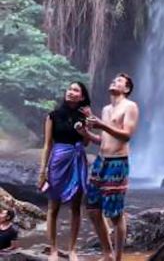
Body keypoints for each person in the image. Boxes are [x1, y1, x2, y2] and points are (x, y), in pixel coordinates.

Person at [78, 73, 139, 261]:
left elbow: (126, 135)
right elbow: (104, 140)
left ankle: (118, 257)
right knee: (93, 209)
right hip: (100, 161)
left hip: (117, 163)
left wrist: (101, 125)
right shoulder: (105, 109)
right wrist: (86, 133)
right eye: (113, 79)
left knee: (115, 213)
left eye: (119, 81)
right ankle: (107, 253)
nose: (114, 81)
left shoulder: (130, 106)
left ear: (126, 89)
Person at [37, 81, 93, 261]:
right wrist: (42, 171)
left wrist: (86, 129)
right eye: (69, 88)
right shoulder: (53, 116)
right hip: (58, 160)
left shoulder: (84, 117)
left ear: (82, 97)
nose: (70, 92)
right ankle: (53, 249)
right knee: (53, 206)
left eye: (75, 90)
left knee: (76, 206)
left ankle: (72, 249)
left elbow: (86, 143)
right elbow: (47, 145)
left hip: (77, 160)